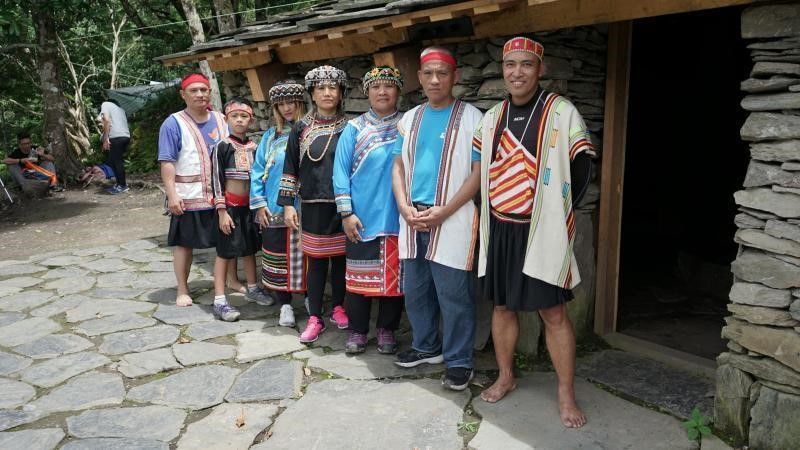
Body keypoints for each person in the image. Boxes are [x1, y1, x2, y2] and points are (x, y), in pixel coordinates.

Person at [474, 37, 595, 428]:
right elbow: (482, 172)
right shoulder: (492, 117)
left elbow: (582, 166)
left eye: (526, 65)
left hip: (542, 229)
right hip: (502, 228)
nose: (517, 72)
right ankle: (506, 375)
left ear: (539, 69)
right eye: (510, 65)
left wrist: (559, 215)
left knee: (554, 312)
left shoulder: (561, 112)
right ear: (503, 70)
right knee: (502, 307)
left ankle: (565, 392)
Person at [391, 47, 483, 390]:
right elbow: (398, 165)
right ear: (419, 77)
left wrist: (446, 210)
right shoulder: (410, 119)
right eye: (428, 73)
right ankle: (426, 346)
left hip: (453, 214)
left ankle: (459, 360)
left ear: (454, 77)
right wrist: (403, 206)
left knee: (454, 294)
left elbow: (477, 172)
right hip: (413, 215)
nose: (434, 79)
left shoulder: (474, 118)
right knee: (415, 290)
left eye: (442, 73)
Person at [333, 66, 404, 354]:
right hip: (361, 217)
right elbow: (340, 171)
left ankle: (387, 330)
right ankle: (358, 330)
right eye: (376, 87)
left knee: (395, 280)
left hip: (398, 217)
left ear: (398, 91)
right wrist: (346, 213)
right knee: (359, 280)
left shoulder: (407, 124)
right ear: (367, 92)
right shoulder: (354, 128)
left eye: (388, 86)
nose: (382, 92)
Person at [278, 65, 349, 343]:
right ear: (312, 93)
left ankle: (340, 307)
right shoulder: (301, 128)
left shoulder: (350, 127)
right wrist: (287, 205)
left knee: (343, 261)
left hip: (344, 206)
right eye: (321, 88)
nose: (327, 93)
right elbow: (290, 167)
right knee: (317, 263)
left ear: (341, 92)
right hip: (313, 204)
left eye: (333, 87)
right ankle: (316, 316)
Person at [158, 73, 229, 307]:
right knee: (184, 243)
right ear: (183, 94)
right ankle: (182, 288)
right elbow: (167, 161)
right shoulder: (173, 123)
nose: (200, 94)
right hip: (188, 195)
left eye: (204, 90)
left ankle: (231, 281)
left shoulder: (221, 119)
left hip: (220, 195)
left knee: (226, 242)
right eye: (194, 91)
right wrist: (172, 194)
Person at [251, 80, 308, 327]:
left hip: (304, 207)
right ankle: (285, 304)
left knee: (307, 256)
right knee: (277, 256)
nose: (286, 109)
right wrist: (260, 203)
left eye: (291, 103)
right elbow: (257, 170)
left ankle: (309, 298)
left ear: (300, 103)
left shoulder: (310, 131)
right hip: (274, 206)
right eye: (281, 104)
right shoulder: (270, 136)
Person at [209, 97, 270, 321]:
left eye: (244, 116)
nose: (239, 120)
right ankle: (219, 300)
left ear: (251, 120)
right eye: (235, 116)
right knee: (224, 252)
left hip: (250, 207)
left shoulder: (255, 147)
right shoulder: (222, 147)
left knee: (250, 248)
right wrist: (221, 211)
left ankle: (253, 288)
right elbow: (215, 180)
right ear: (226, 119)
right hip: (230, 208)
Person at [100, 98, 131, 194]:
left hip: (116, 136)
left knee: (117, 162)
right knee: (113, 161)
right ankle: (119, 184)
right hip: (125, 136)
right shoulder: (121, 109)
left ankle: (122, 185)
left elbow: (106, 120)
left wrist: (105, 139)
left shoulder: (105, 104)